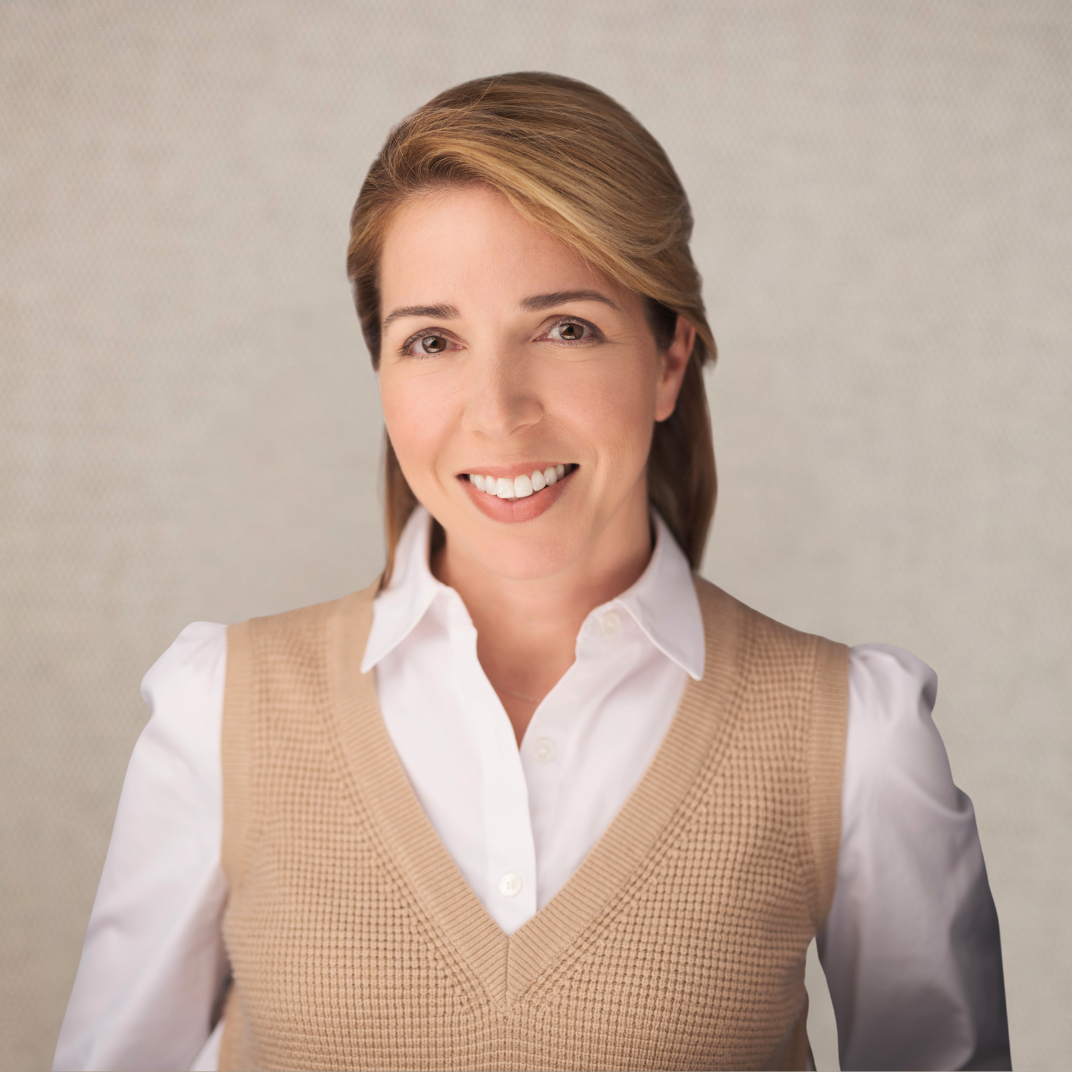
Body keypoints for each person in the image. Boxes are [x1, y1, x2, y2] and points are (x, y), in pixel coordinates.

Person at [54, 72, 1010, 1071]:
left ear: (669, 359)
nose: (497, 410)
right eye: (432, 339)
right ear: (380, 371)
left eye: (565, 329)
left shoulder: (855, 736)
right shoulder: (221, 712)